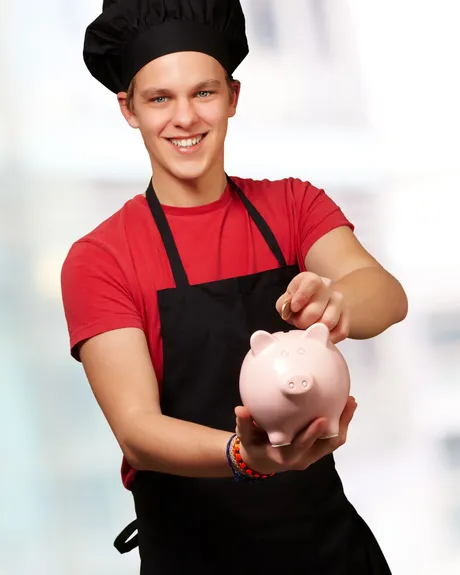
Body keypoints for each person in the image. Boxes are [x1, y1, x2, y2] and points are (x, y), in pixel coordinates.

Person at [61, 0, 409, 573]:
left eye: (203, 93)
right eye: (158, 98)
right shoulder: (101, 258)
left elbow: (385, 294)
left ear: (233, 97)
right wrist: (247, 457)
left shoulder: (291, 206)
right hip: (194, 557)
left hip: (327, 550)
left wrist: (337, 300)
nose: (185, 118)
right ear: (128, 109)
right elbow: (138, 432)